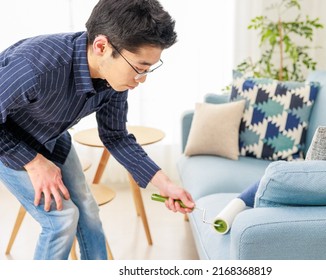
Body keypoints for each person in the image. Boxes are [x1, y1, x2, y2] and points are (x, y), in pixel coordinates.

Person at [0, 0, 194, 260]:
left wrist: (165, 184)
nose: (142, 79)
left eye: (149, 69)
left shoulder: (113, 80)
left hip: (50, 136)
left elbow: (115, 136)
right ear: (102, 46)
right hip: (9, 142)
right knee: (61, 220)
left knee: (88, 211)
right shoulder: (35, 67)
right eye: (139, 67)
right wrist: (35, 164)